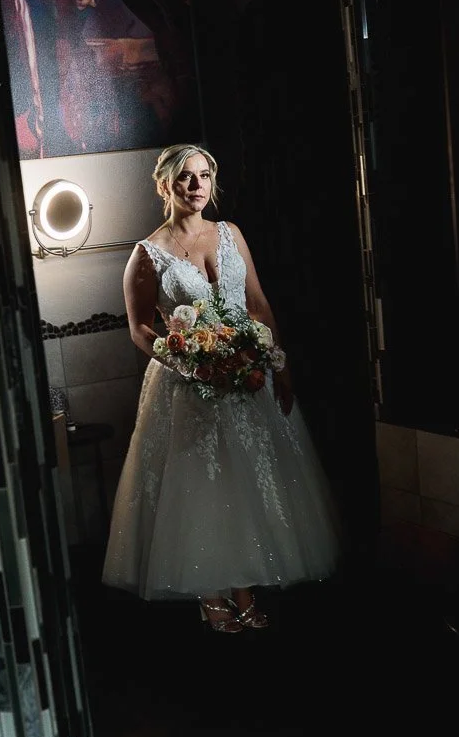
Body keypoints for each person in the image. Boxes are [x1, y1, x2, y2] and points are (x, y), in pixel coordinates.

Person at [101, 142, 341, 632]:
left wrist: (281, 366)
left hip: (248, 375)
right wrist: (187, 362)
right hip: (188, 383)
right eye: (186, 178)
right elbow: (140, 328)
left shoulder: (230, 233)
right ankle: (211, 592)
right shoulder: (147, 254)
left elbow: (257, 305)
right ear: (165, 184)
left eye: (204, 176)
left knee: (247, 481)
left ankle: (244, 587)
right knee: (204, 485)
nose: (197, 186)